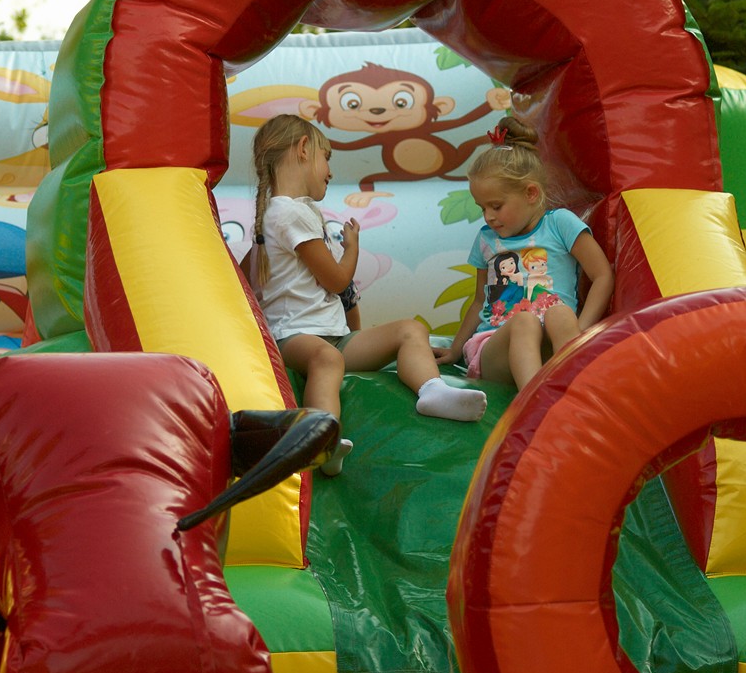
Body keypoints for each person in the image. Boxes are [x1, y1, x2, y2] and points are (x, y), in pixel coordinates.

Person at [245, 114, 488, 475]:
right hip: (294, 336)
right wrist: (353, 248)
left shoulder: (299, 212)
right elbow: (336, 281)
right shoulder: (286, 213)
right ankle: (320, 440)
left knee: (410, 329)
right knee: (327, 359)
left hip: (333, 336)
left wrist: (354, 328)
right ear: (303, 149)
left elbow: (337, 295)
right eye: (327, 157)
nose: (330, 170)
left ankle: (432, 390)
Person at [434, 116, 614, 389]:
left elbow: (602, 275)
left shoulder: (560, 224)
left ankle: (575, 384)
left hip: (550, 344)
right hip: (496, 347)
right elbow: (480, 300)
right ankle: (534, 401)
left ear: (531, 193)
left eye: (496, 206)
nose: (488, 216)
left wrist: (582, 332)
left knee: (560, 313)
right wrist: (456, 349)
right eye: (482, 208)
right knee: (524, 322)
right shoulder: (486, 239)